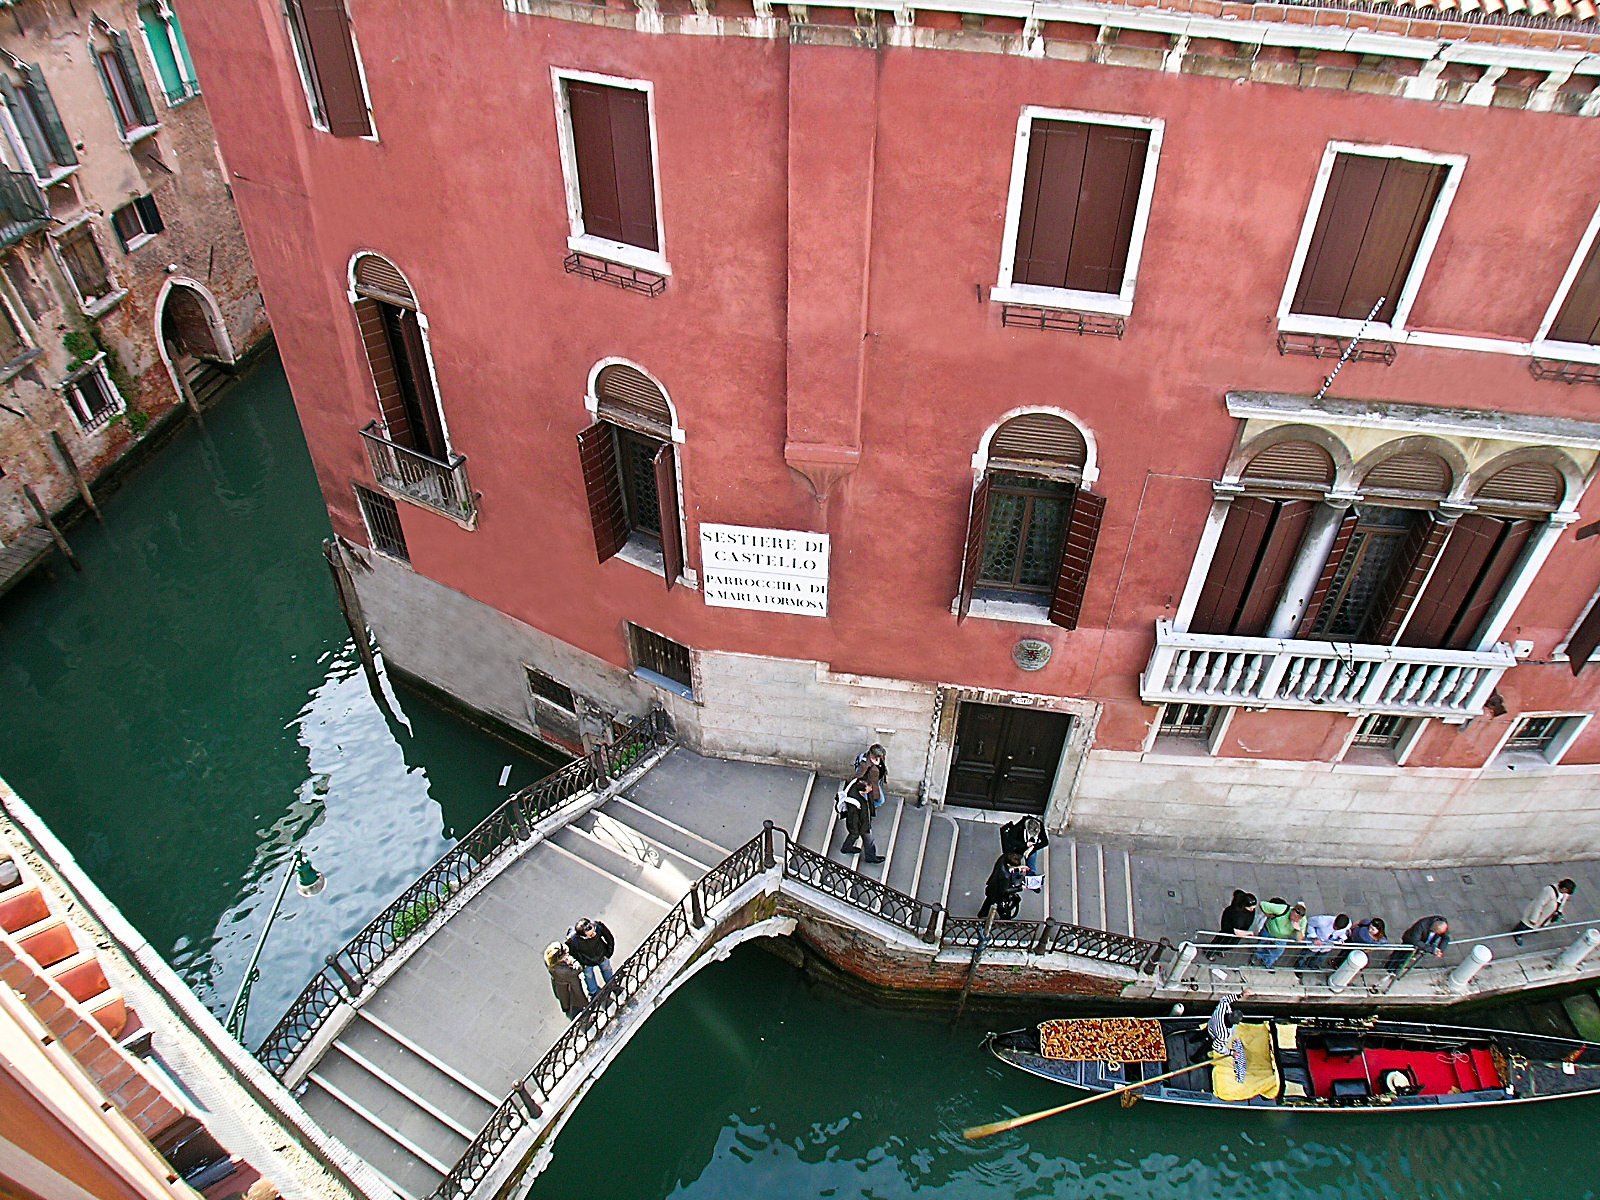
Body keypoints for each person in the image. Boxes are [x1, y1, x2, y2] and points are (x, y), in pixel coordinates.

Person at [1513, 879, 1576, 945]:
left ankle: (1532, 928)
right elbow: (1539, 904)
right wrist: (1534, 918)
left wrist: (1559, 912)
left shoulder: (1564, 895)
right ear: (1564, 888)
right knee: (1525, 925)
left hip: (1546, 915)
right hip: (1537, 913)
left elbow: (1561, 903)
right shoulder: (1549, 891)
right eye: (1566, 891)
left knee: (1534, 925)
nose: (1566, 894)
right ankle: (1517, 934)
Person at [838, 777, 885, 863]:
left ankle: (846, 848)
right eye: (869, 788)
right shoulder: (854, 804)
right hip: (861, 824)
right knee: (865, 839)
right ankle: (870, 857)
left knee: (854, 836)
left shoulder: (859, 788)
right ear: (863, 790)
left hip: (863, 822)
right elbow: (853, 820)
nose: (871, 789)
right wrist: (856, 830)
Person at [566, 917, 616, 995]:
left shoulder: (598, 926)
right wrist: (583, 963)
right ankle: (594, 993)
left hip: (602, 955)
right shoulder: (573, 941)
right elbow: (573, 954)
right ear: (583, 936)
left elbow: (609, 938)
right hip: (587, 961)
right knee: (589, 976)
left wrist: (608, 953)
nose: (594, 934)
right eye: (591, 935)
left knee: (606, 969)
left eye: (594, 931)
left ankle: (612, 985)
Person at [1252, 899, 1305, 968]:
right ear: (1292, 911)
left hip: (1281, 937)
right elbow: (1262, 904)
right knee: (1261, 945)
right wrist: (1268, 915)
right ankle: (1256, 957)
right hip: (1268, 931)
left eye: (1298, 918)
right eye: (1294, 916)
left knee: (1278, 951)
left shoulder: (1302, 921)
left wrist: (1298, 930)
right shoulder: (1282, 909)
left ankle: (1268, 963)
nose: (1295, 919)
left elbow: (1300, 940)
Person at [978, 851, 1027, 921]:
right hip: (999, 894)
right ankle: (1005, 920)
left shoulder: (1003, 859)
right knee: (1002, 908)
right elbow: (1005, 890)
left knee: (989, 900)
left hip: (992, 886)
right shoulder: (1005, 876)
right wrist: (1020, 888)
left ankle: (982, 913)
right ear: (1009, 865)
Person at [545, 941, 587, 1019]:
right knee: (577, 998)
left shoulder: (551, 964)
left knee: (564, 998)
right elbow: (578, 969)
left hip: (559, 984)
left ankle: (566, 1007)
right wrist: (573, 962)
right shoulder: (564, 970)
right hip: (572, 985)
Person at [852, 745, 888, 810]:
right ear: (873, 754)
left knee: (879, 800)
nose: (880, 757)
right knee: (879, 801)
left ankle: (869, 808)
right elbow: (858, 776)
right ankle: (867, 809)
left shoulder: (880, 756)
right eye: (878, 756)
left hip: (876, 781)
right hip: (868, 784)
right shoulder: (865, 764)